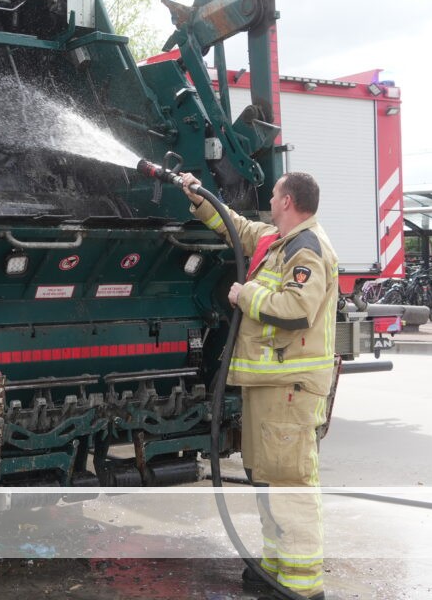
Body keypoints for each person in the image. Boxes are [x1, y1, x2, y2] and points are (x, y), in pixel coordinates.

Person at [180, 171, 338, 600]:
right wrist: (199, 196)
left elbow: (296, 309)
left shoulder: (307, 250)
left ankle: (302, 586)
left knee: (289, 483)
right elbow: (240, 228)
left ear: (287, 201)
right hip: (271, 386)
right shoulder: (278, 241)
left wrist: (244, 295)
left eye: (273, 195)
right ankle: (275, 569)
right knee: (267, 479)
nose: (268, 200)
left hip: (290, 389)